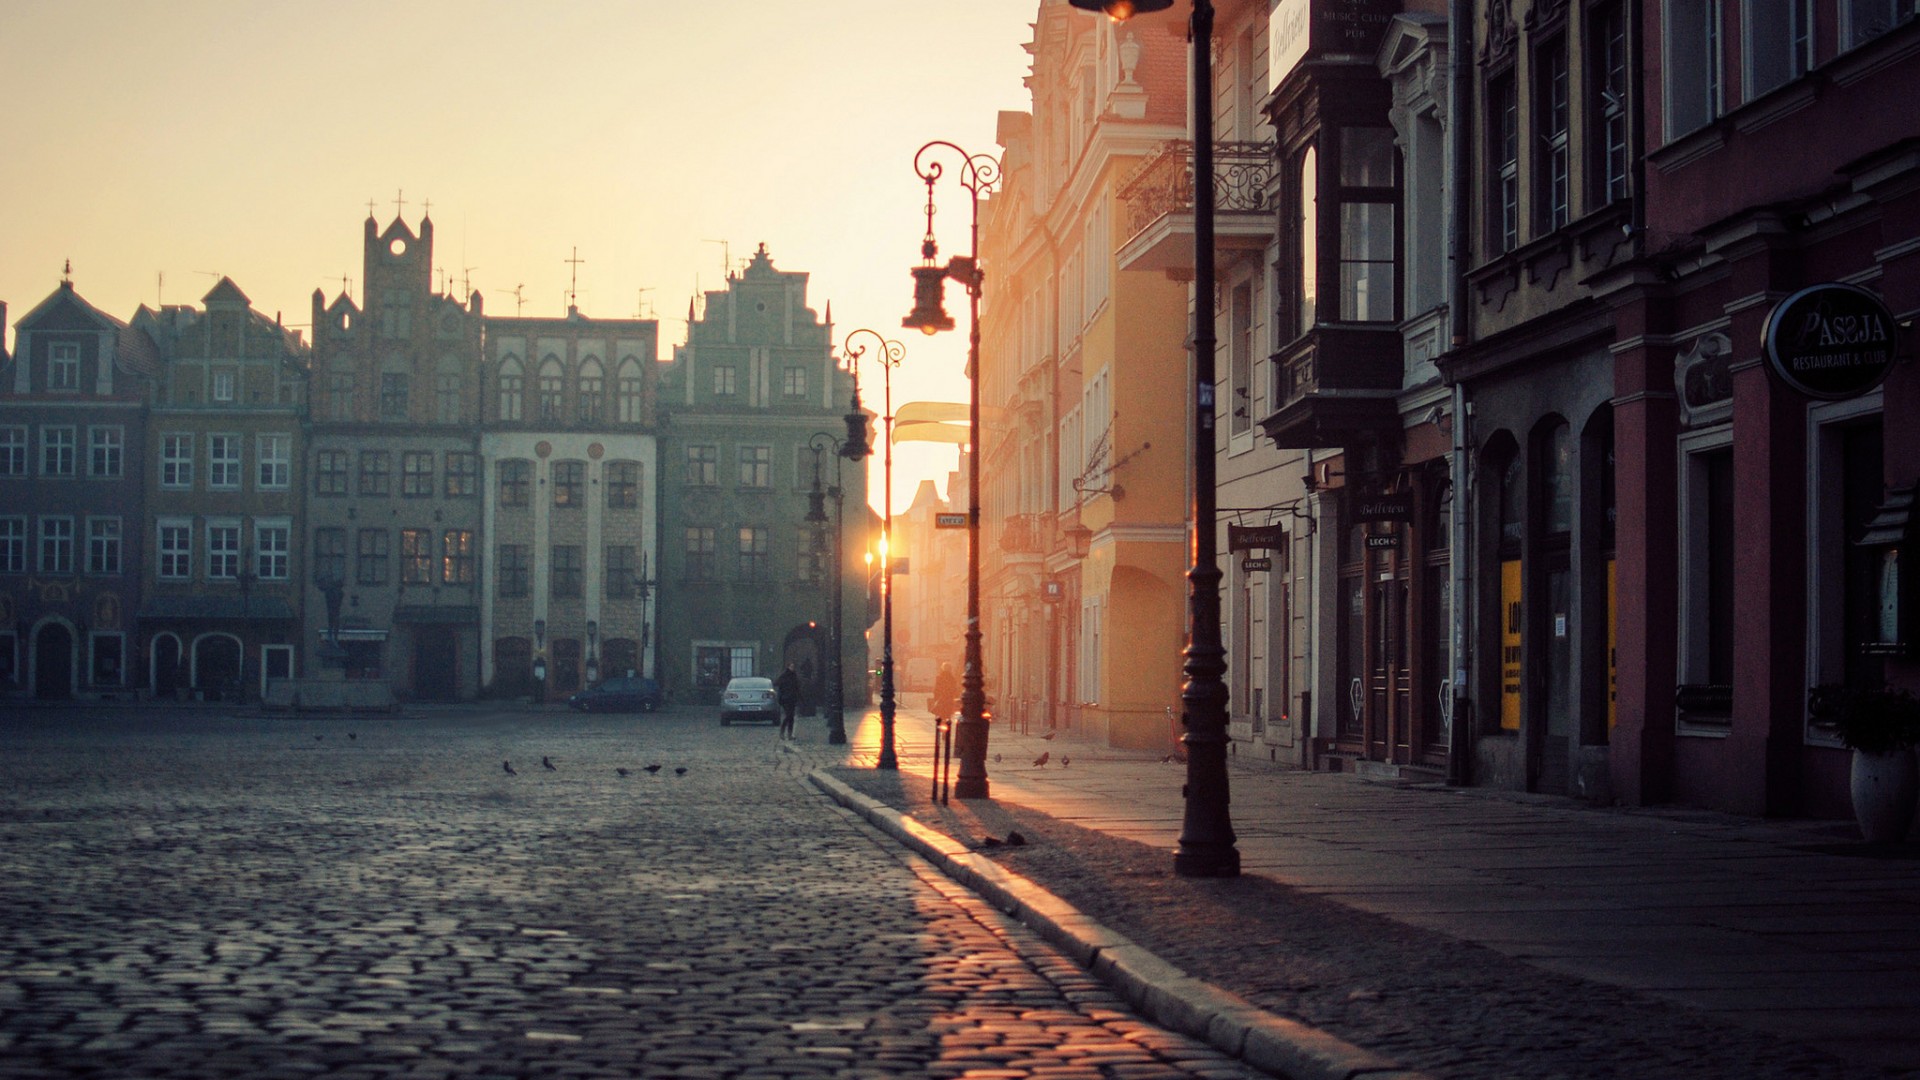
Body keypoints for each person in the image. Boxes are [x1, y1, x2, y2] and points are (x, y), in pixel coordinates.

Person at [774, 663, 802, 739]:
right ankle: (782, 732)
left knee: (791, 717)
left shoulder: (794, 676)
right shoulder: (784, 675)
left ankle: (789, 734)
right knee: (788, 715)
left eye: (793, 666)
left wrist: (800, 698)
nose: (792, 668)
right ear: (788, 667)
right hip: (785, 699)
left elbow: (797, 688)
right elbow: (776, 683)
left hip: (792, 699)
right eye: (791, 666)